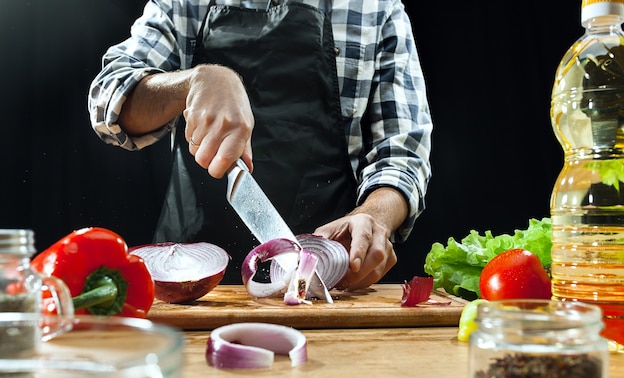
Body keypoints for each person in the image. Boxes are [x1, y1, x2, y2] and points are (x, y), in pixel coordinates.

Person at [88, 0, 432, 291]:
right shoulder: (185, 3)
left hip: (326, 284)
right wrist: (194, 81)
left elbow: (402, 156)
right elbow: (108, 99)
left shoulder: (376, 8)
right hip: (193, 289)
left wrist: (373, 217)